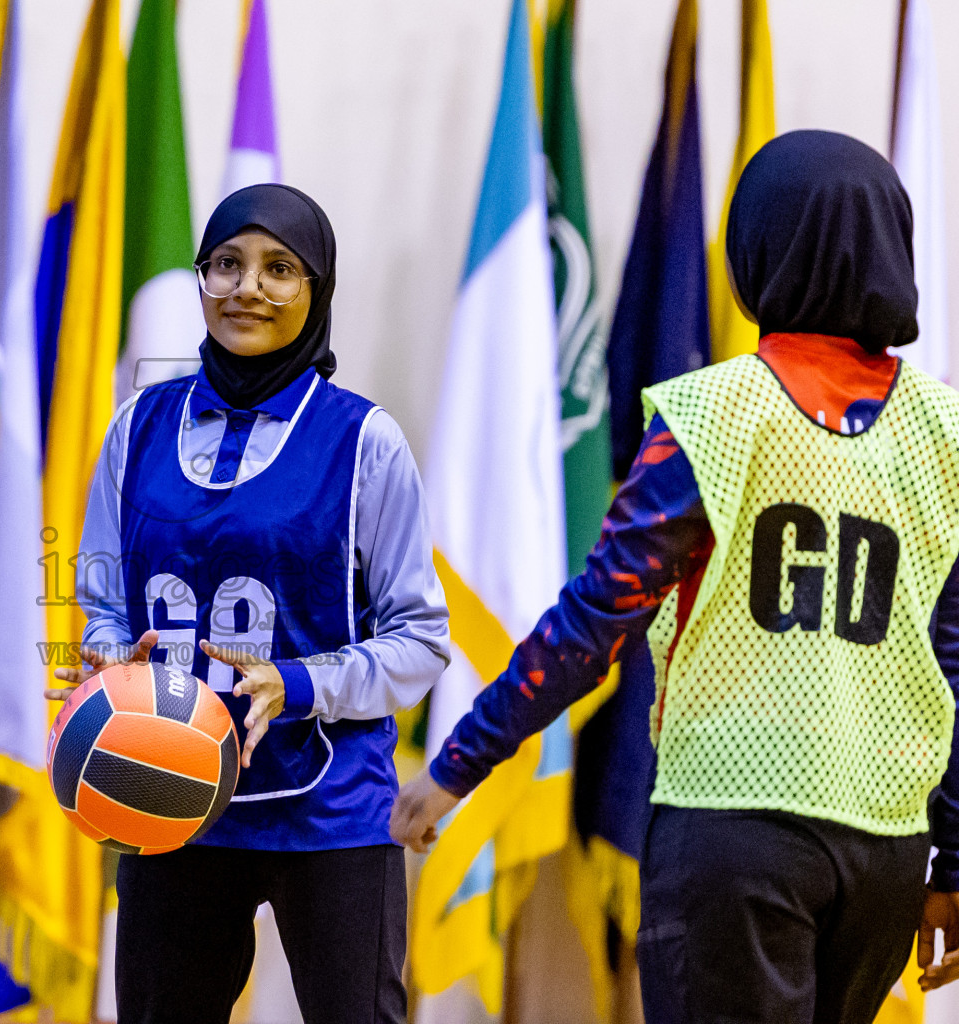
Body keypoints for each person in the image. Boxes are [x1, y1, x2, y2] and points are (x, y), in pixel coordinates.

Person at [393, 130, 959, 1024]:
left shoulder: (713, 412)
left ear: (754, 250)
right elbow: (954, 658)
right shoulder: (947, 429)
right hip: (888, 844)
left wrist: (460, 762)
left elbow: (595, 622)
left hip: (735, 826)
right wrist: (954, 862)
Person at [48, 183, 451, 1024]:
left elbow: (421, 640)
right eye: (225, 264)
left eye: (279, 269)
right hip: (167, 796)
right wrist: (105, 658)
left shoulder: (363, 440)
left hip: (330, 810)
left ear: (318, 291)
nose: (248, 288)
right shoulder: (136, 428)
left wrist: (296, 685)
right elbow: (100, 600)